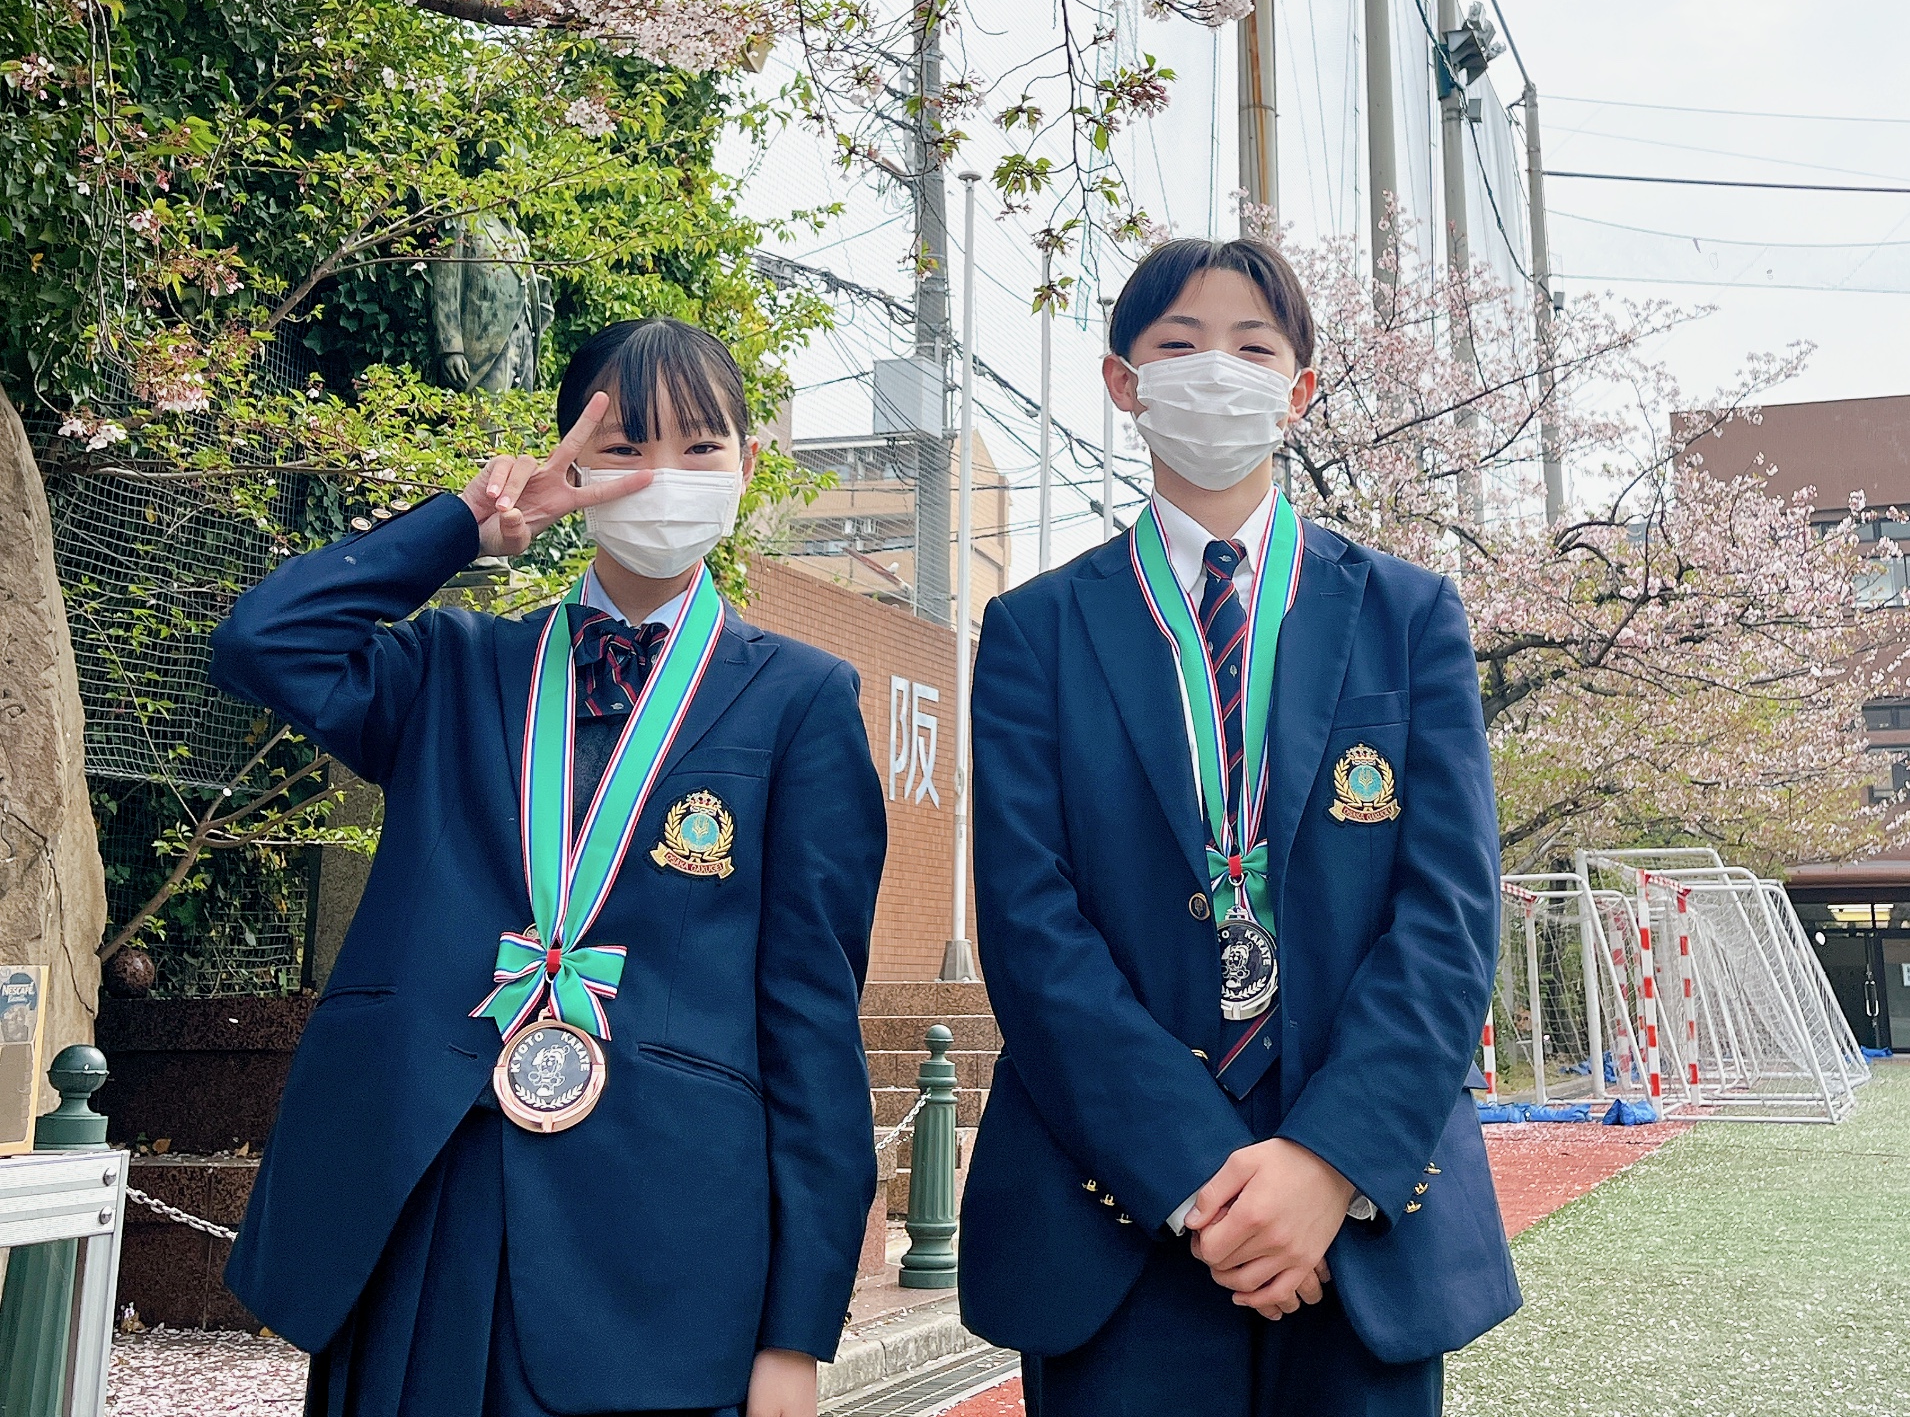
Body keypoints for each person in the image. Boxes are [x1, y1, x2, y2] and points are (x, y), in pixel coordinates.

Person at [212, 316, 886, 1417]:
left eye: (701, 447)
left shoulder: (801, 701)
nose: (662, 476)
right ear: (568, 461)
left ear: (748, 467)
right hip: (423, 1212)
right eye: (624, 447)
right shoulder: (457, 666)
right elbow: (262, 644)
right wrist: (464, 527)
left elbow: (812, 1023)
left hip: (663, 1264)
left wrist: (795, 1338)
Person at [958, 238, 1519, 1416]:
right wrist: (1202, 1180)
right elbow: (1029, 925)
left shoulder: (1410, 616)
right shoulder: (1034, 632)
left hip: (1364, 1214)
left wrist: (1325, 1166)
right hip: (1115, 1211)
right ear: (1124, 383)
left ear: (1297, 391)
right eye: (1179, 345)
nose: (1216, 369)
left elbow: (1452, 913)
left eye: (1252, 347)